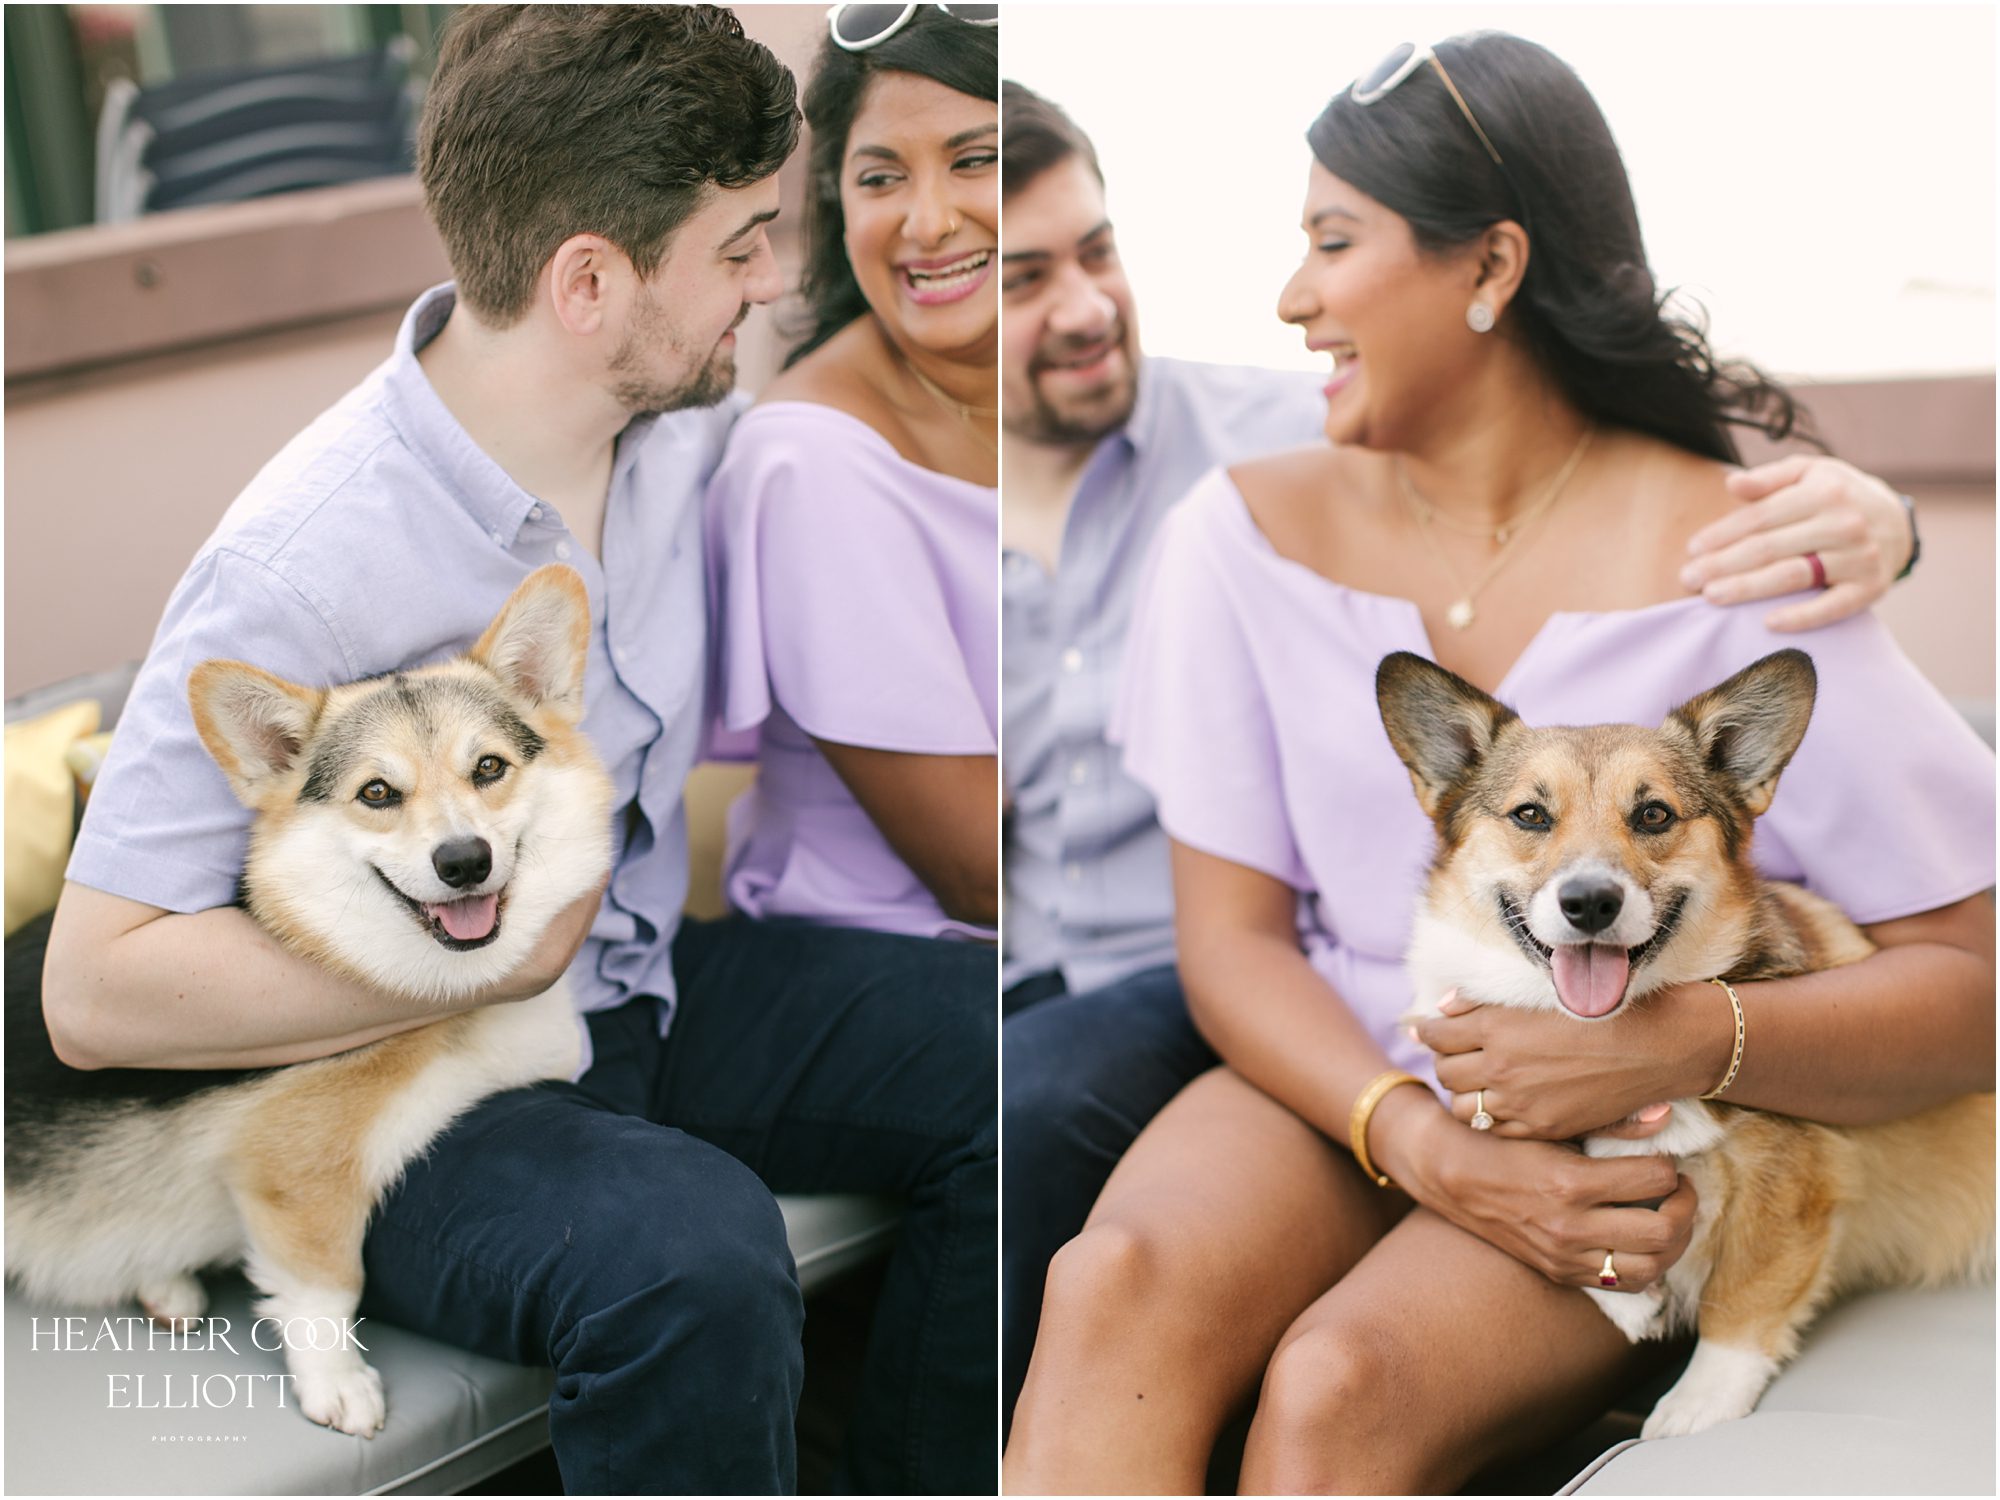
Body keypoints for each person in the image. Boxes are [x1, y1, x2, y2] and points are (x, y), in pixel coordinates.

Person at [1001, 35, 1993, 1493]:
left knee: (1341, 1388)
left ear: (1492, 266)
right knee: (1111, 1287)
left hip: (1642, 1118)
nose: (1292, 297)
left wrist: (1669, 1045)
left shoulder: (1750, 561)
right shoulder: (1236, 534)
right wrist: (1422, 1141)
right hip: (1343, 1058)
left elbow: (1973, 994)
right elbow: (1233, 941)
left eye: (1334, 243)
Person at [39, 8, 985, 1493]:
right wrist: (487, 954)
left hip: (640, 992)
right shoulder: (296, 566)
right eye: (740, 246)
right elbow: (91, 991)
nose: (772, 280)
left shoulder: (683, 427)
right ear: (592, 282)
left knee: (1009, 1041)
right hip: (415, 1090)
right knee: (693, 1258)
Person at [698, 8, 1001, 1489]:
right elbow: (977, 860)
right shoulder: (817, 456)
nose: (926, 219)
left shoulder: (1099, 409)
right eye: (880, 174)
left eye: (980, 161)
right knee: (1028, 1065)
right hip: (824, 961)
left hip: (1007, 948)